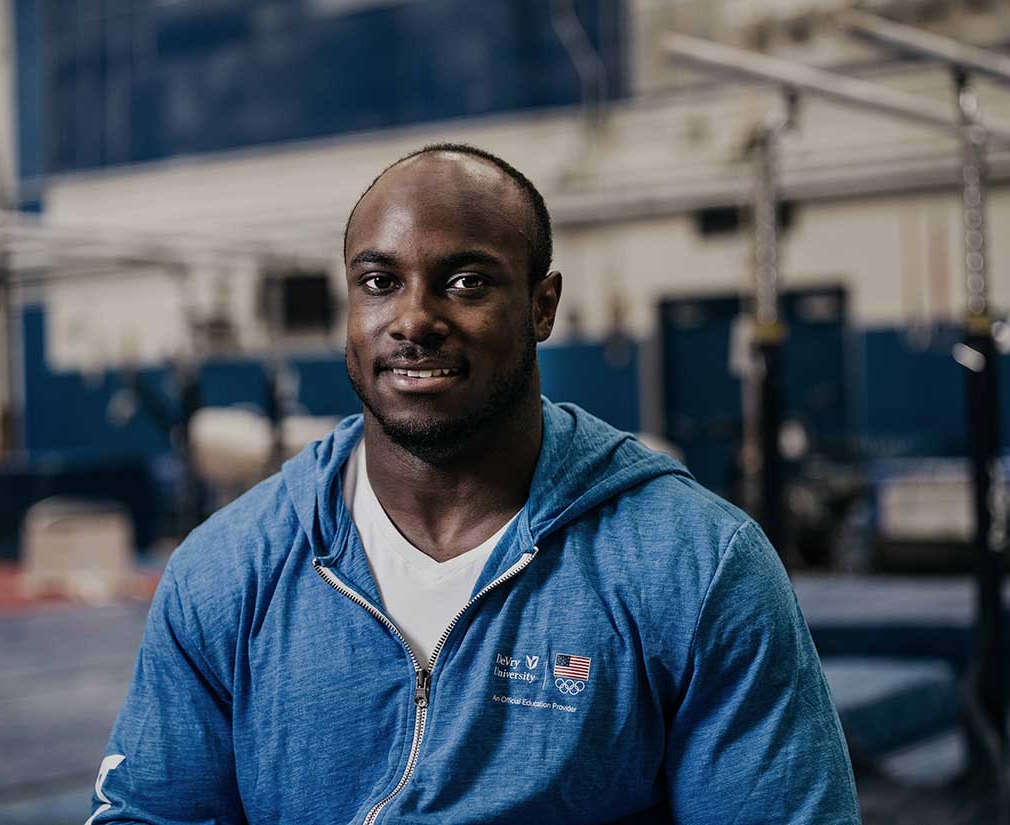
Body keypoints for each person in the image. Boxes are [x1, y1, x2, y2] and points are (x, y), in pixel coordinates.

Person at [89, 144, 861, 824]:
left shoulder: (694, 565)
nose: (414, 319)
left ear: (541, 305)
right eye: (380, 281)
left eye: (464, 282)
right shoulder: (230, 568)